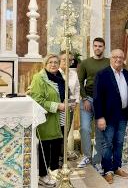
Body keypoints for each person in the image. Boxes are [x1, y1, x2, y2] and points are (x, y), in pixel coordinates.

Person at [93, 49, 128, 184]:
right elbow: (97, 98)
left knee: (119, 142)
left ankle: (116, 167)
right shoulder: (102, 74)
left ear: (124, 59)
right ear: (110, 58)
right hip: (108, 116)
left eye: (121, 57)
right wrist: (99, 117)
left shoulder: (126, 74)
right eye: (115, 57)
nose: (118, 59)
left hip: (122, 115)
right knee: (107, 144)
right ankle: (107, 171)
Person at [29, 54, 65, 187]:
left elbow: (61, 95)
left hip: (59, 117)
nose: (53, 64)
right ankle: (42, 176)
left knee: (56, 145)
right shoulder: (39, 78)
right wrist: (57, 106)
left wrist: (67, 103)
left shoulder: (59, 77)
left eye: (56, 62)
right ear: (45, 64)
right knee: (45, 148)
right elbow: (37, 100)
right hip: (46, 119)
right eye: (50, 62)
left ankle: (51, 173)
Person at [77, 37, 110, 168]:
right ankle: (86, 156)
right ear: (93, 47)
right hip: (88, 99)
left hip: (103, 101)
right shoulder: (85, 63)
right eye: (95, 46)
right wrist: (84, 98)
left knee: (100, 130)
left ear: (104, 47)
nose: (97, 48)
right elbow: (80, 82)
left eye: (100, 46)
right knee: (85, 128)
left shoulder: (109, 62)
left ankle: (97, 160)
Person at [59, 51, 80, 160]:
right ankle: (57, 156)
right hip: (58, 106)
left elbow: (76, 89)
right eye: (64, 59)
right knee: (59, 131)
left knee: (66, 131)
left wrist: (75, 103)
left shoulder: (73, 73)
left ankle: (63, 154)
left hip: (70, 106)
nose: (67, 62)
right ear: (60, 60)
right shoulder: (55, 72)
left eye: (70, 60)